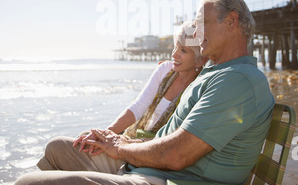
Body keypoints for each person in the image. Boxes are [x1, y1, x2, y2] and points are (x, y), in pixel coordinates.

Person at [0, 0, 275, 185]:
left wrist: (120, 148)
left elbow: (176, 155)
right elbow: (170, 140)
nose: (196, 31)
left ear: (231, 21)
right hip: (158, 179)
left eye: (201, 23)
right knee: (60, 148)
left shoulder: (237, 81)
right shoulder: (216, 73)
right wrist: (121, 139)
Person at [74, 21, 207, 155]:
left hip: (152, 150)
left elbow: (176, 139)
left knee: (72, 148)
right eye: (175, 47)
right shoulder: (165, 69)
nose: (174, 54)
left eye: (183, 50)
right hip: (131, 138)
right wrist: (106, 133)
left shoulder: (200, 87)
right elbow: (139, 106)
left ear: (199, 60)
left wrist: (119, 144)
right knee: (85, 137)